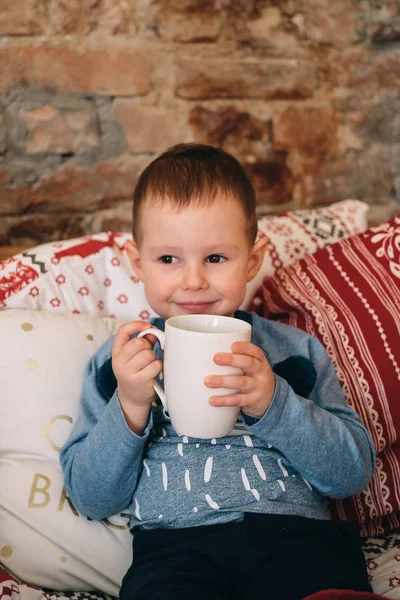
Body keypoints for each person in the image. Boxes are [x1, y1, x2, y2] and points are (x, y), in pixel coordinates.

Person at [60, 143, 376, 600]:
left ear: (252, 260)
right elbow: (92, 498)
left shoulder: (295, 351)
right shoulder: (121, 361)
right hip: (175, 552)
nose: (193, 281)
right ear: (137, 263)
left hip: (300, 542)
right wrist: (130, 405)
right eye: (168, 259)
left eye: (215, 258)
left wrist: (275, 402)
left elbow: (351, 473)